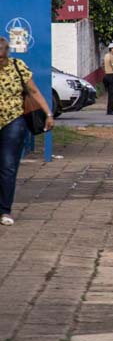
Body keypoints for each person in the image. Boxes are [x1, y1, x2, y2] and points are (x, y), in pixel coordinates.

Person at [0, 37, 54, 226]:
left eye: (1, 57)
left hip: (13, 121)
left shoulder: (17, 66)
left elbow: (34, 92)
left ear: (6, 53)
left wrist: (48, 113)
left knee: (8, 165)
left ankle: (4, 209)